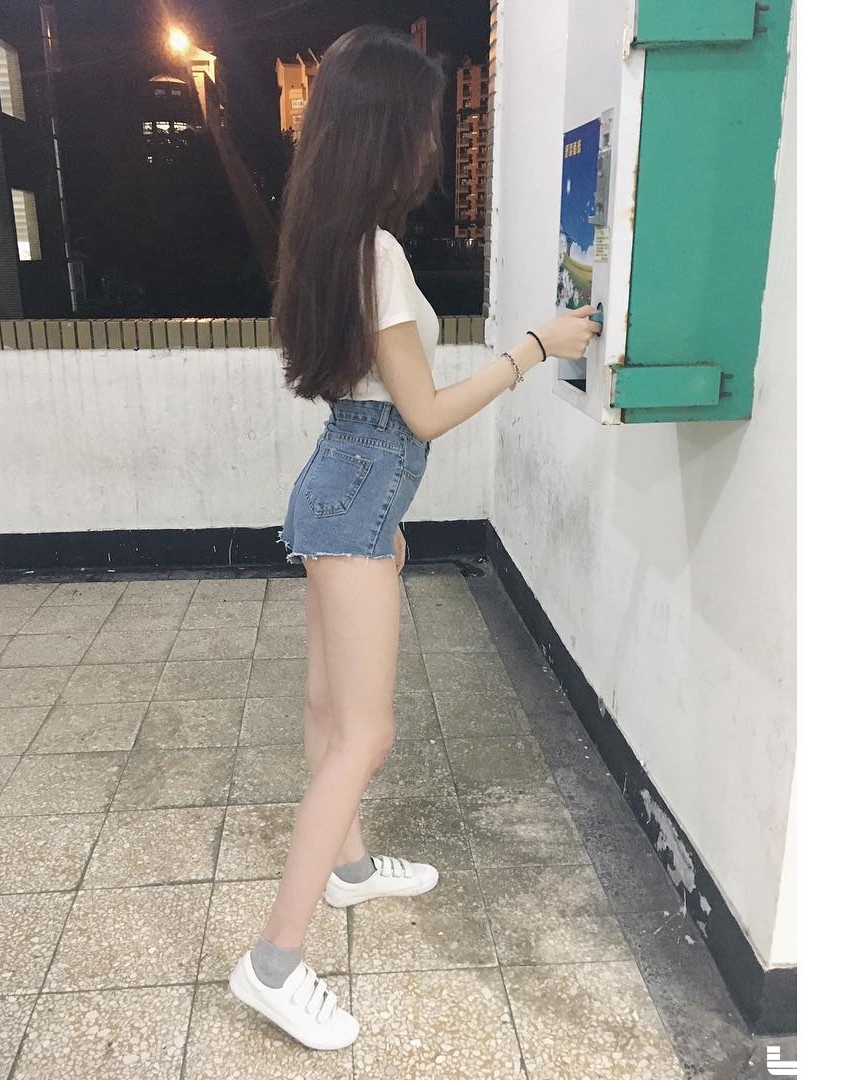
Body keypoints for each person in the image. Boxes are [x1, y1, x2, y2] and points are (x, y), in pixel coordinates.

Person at [228, 25, 600, 1051]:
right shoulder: (379, 254)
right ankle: (274, 962)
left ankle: (347, 869)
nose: (433, 143)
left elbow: (369, 411)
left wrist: (381, 522)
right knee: (367, 733)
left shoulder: (331, 239)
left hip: (341, 493)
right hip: (351, 500)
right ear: (389, 131)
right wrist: (532, 349)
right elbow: (423, 414)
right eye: (424, 123)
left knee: (327, 710)